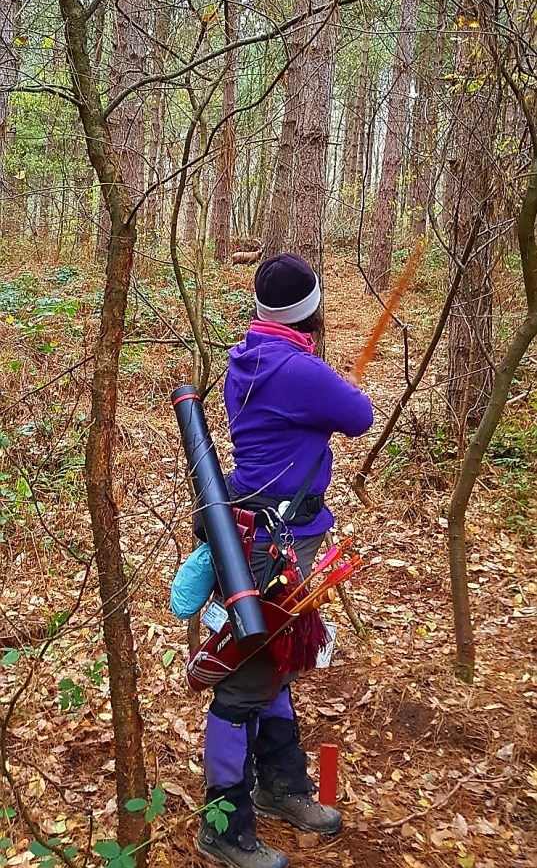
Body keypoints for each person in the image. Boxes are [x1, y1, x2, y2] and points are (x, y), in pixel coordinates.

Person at [197, 253, 374, 868]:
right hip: (272, 541)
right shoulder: (299, 370)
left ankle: (280, 786)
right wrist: (326, 380)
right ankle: (223, 825)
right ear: (312, 312)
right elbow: (360, 416)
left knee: (276, 663)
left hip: (266, 529)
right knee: (246, 678)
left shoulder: (248, 356)